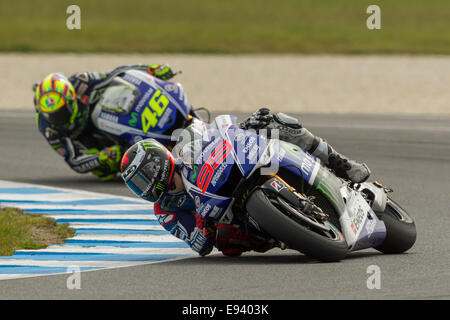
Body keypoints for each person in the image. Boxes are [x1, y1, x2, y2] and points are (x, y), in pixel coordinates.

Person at [120, 110, 371, 257]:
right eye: (137, 187)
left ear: (158, 163)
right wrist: (201, 223)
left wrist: (245, 125)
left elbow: (214, 129)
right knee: (226, 240)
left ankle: (340, 162)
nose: (146, 189)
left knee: (278, 122)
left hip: (235, 167)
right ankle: (287, 229)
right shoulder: (165, 211)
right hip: (228, 218)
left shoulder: (185, 149)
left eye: (144, 179)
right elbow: (199, 246)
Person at [33, 64, 177, 181]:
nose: (58, 120)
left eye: (61, 112)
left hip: (110, 110)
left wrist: (151, 70)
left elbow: (118, 73)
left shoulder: (82, 82)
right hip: (87, 138)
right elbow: (74, 161)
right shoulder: (48, 128)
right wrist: (101, 158)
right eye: (51, 115)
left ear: (72, 99)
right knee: (105, 172)